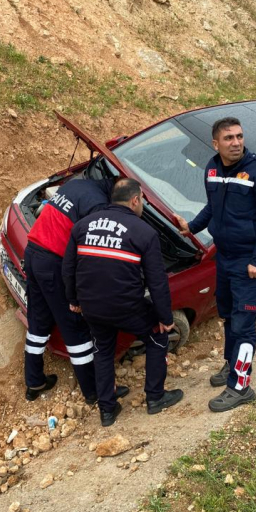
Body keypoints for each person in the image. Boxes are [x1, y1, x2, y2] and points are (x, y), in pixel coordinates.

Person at [175, 117, 256, 412]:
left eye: (239, 136)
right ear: (216, 144)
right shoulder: (211, 169)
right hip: (223, 258)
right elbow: (213, 207)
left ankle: (241, 386)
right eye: (229, 138)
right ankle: (230, 362)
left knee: (244, 323)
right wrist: (192, 228)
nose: (236, 143)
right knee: (228, 316)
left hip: (249, 263)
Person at [63, 178, 183, 426]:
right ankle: (155, 397)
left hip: (92, 307)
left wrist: (74, 300)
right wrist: (165, 318)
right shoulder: (144, 232)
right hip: (127, 307)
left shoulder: (82, 226)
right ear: (135, 200)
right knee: (157, 337)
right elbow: (157, 281)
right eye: (143, 201)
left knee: (103, 351)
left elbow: (69, 268)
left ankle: (107, 411)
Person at [23, 177, 114, 403]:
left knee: (38, 322)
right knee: (75, 328)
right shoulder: (98, 204)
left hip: (33, 252)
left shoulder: (75, 184)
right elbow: (92, 250)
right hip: (53, 263)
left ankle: (34, 382)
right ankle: (94, 393)